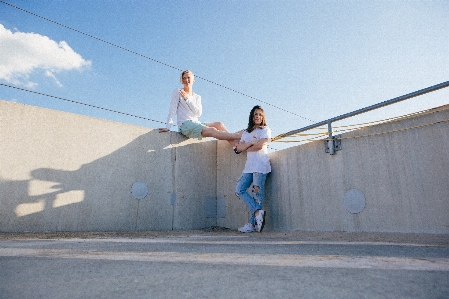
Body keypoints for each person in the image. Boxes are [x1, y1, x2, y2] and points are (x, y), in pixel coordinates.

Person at [159, 70, 241, 146]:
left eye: (188, 78)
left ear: (193, 80)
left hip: (196, 122)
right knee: (212, 130)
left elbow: (198, 113)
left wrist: (188, 99)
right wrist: (168, 127)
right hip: (184, 125)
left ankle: (235, 145)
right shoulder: (178, 92)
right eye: (184, 78)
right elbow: (172, 110)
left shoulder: (197, 97)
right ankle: (238, 136)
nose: (186, 80)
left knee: (219, 124)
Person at [234, 105, 271, 233]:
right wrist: (250, 144)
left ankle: (251, 225)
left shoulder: (265, 130)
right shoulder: (246, 132)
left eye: (260, 114)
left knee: (257, 196)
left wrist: (246, 146)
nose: (258, 116)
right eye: (255, 114)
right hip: (249, 167)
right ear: (252, 116)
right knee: (239, 190)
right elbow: (238, 149)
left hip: (260, 166)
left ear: (263, 117)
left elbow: (260, 146)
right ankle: (257, 211)